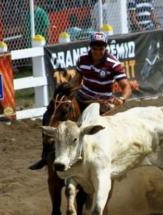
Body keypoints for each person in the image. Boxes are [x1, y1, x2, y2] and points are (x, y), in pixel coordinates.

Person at [29, 32, 139, 170]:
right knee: (50, 114)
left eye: (101, 48)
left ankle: (86, 158)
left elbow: (126, 87)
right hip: (81, 97)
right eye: (95, 48)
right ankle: (46, 155)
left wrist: (122, 99)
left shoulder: (113, 64)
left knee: (86, 128)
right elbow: (77, 80)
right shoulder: (82, 60)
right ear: (90, 48)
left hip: (101, 103)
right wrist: (69, 90)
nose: (98, 51)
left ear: (106, 48)